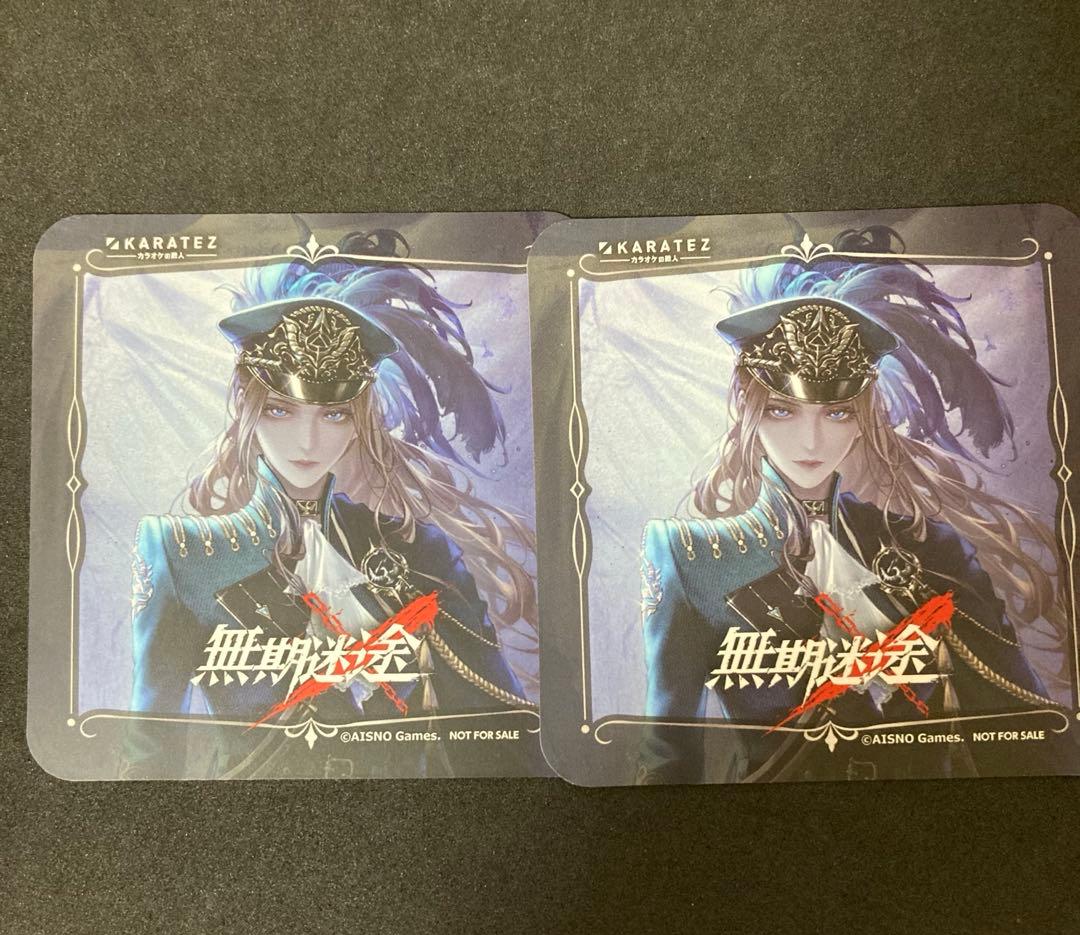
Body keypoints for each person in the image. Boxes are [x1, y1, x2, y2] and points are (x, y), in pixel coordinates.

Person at [638, 231, 1072, 784]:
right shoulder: (691, 557)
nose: (811, 441)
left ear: (863, 417)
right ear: (748, 410)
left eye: (837, 413)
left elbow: (1022, 736)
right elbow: (667, 756)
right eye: (782, 411)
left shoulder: (933, 551)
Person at [127, 236, 539, 778]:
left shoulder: (422, 553)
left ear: (359, 420)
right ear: (248, 408)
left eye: (334, 414)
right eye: (281, 410)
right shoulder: (182, 556)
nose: (308, 441)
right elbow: (148, 754)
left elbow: (499, 743)